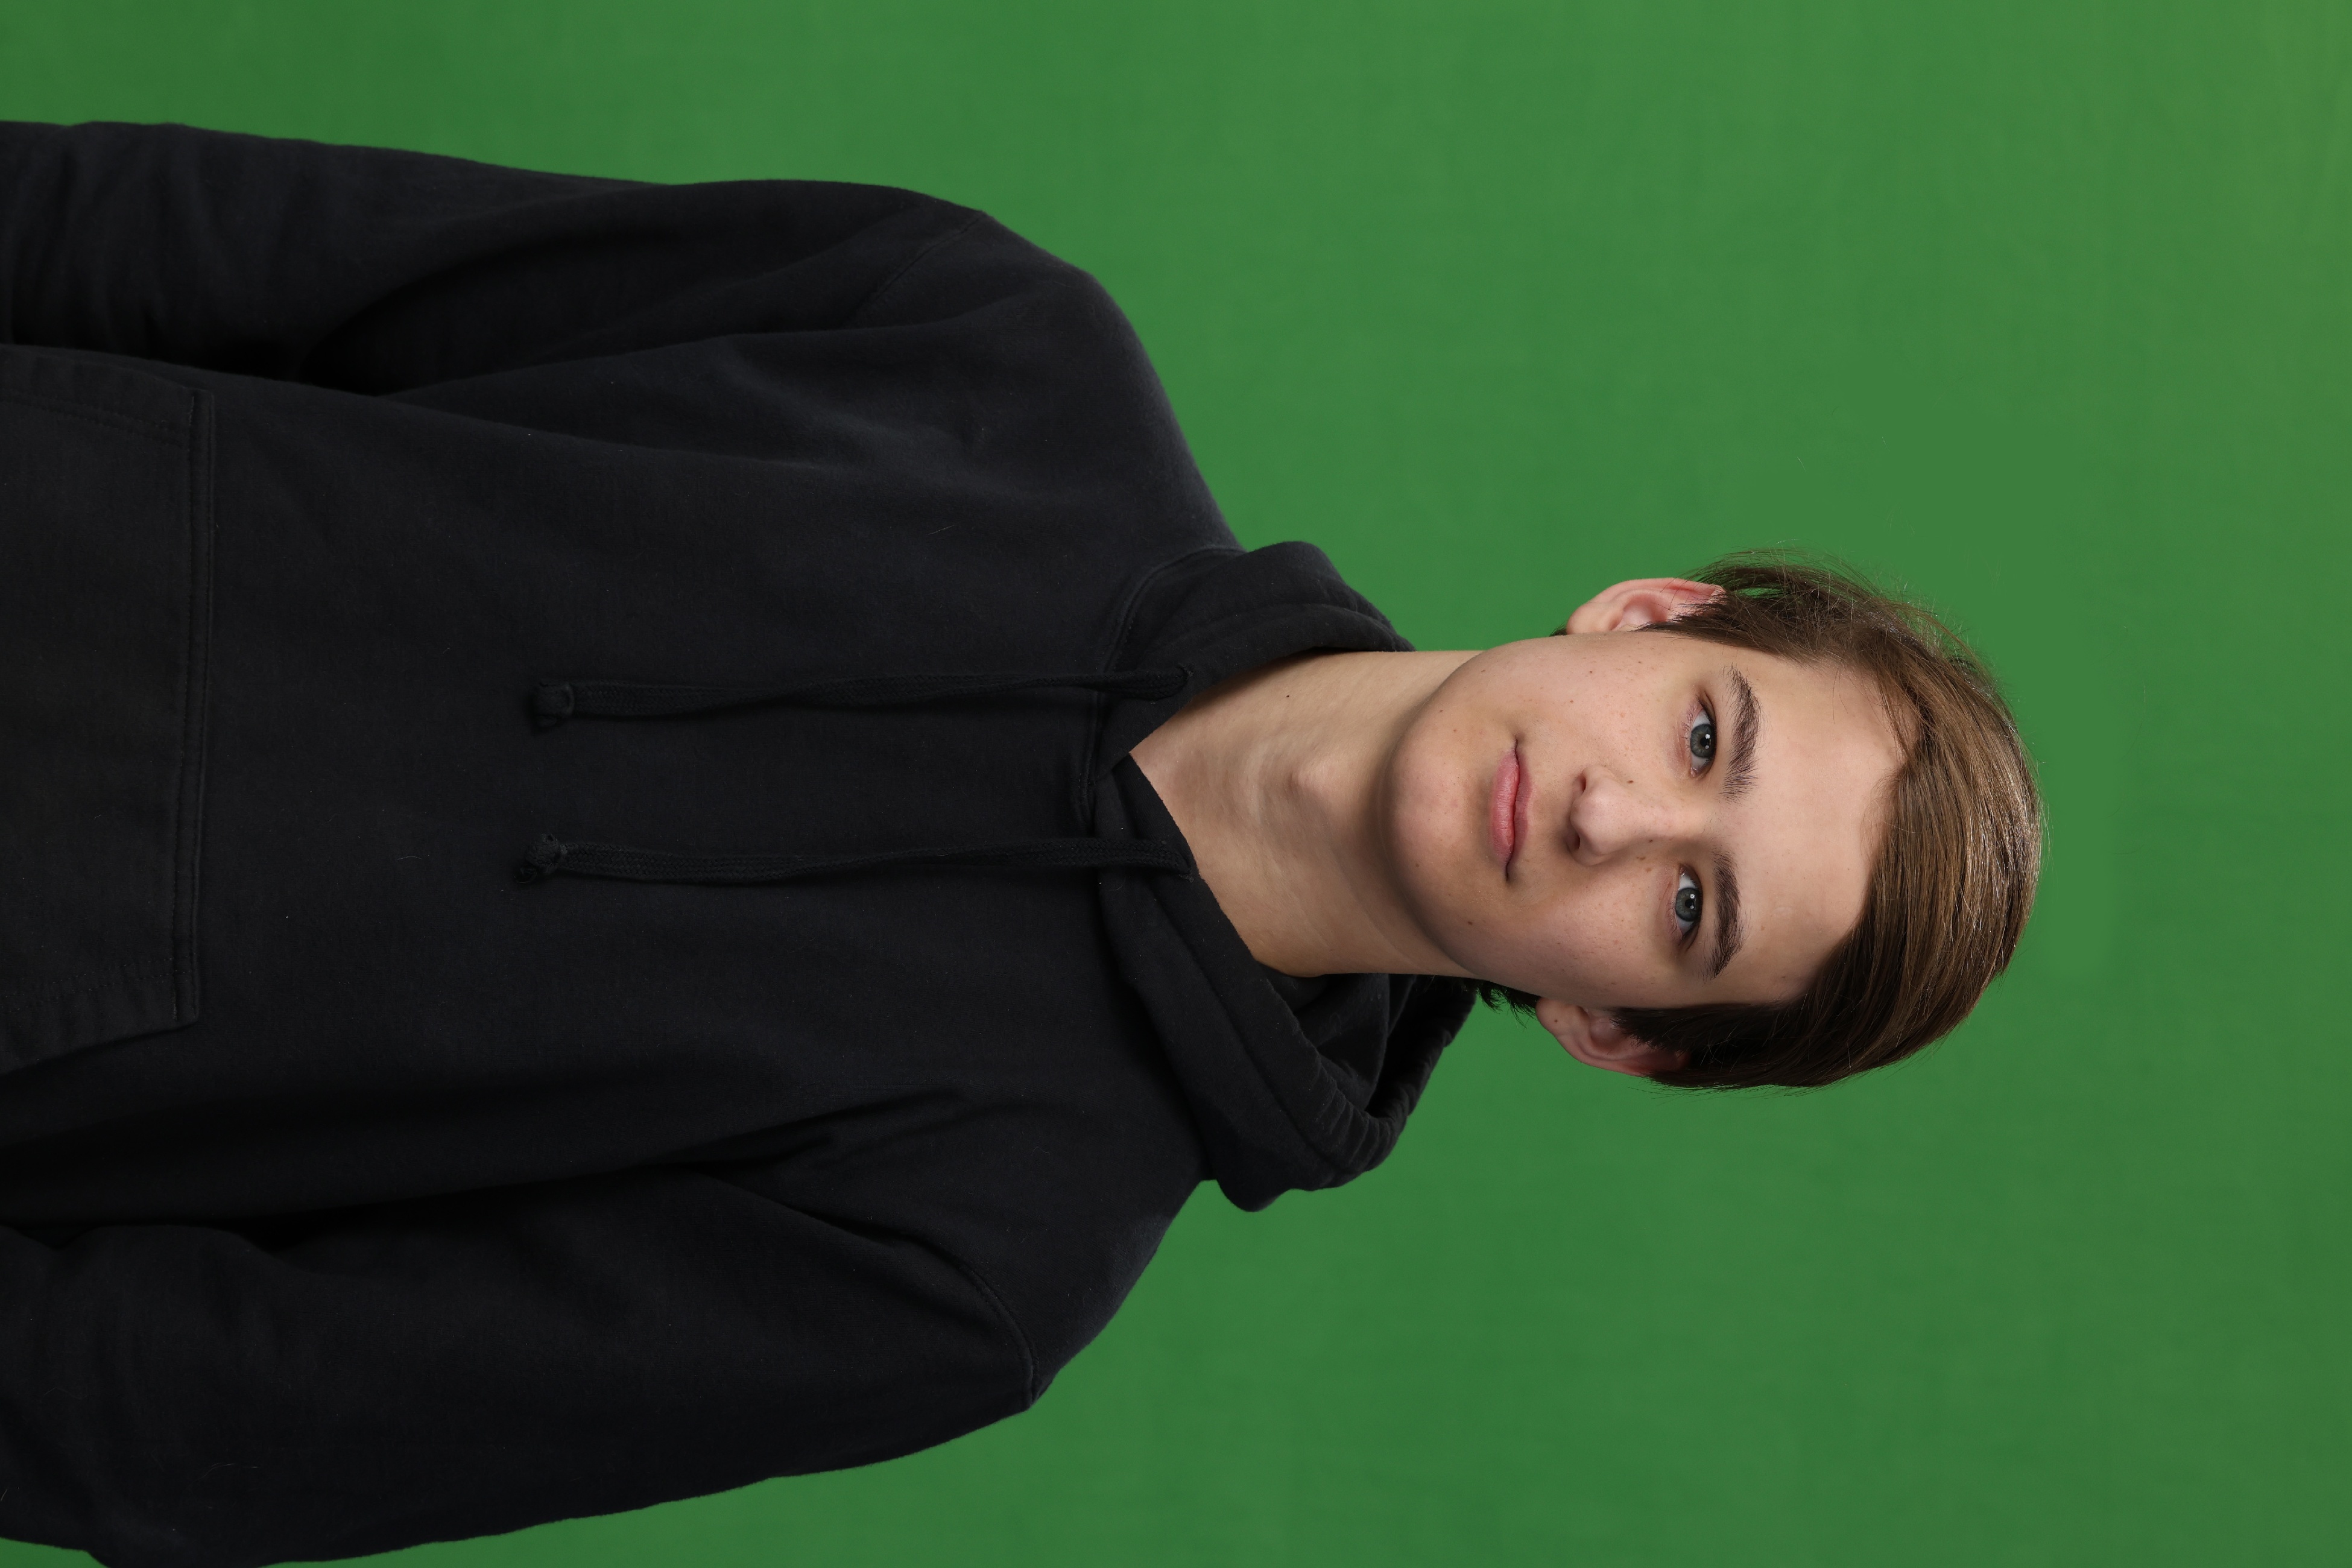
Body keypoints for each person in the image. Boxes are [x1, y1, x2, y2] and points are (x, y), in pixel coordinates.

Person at [0, 121, 2041, 1568]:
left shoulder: (968, 1264)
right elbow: (222, 243)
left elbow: (203, 1419)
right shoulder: (987, 348)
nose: (1611, 813)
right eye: (1703, 736)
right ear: (1649, 617)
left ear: (1620, 1034)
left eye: (1688, 907)